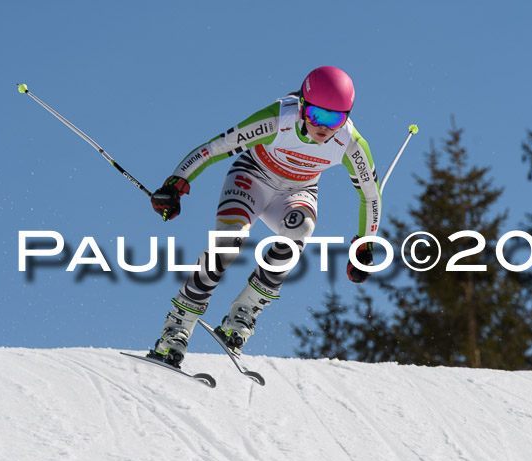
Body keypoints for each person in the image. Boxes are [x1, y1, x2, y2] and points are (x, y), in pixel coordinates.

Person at [146, 66, 381, 368]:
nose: (324, 127)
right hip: (252, 177)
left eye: (335, 118)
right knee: (229, 243)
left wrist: (365, 245)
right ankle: (177, 328)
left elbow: (370, 195)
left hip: (297, 191)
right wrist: (176, 184)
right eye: (317, 116)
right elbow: (217, 148)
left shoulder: (350, 143)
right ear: (302, 106)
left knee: (301, 229)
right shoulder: (278, 118)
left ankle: (242, 315)